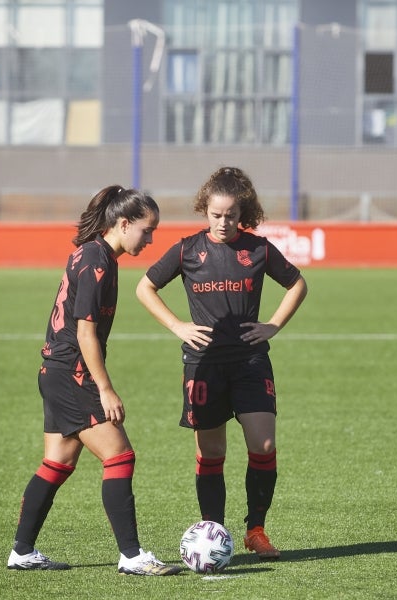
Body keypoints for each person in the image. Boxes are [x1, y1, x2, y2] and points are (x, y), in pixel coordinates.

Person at [8, 185, 182, 576]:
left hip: (56, 371)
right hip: (72, 373)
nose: (151, 239)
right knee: (120, 456)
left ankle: (22, 551)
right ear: (123, 223)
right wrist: (105, 389)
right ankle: (133, 556)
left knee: (58, 462)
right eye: (147, 230)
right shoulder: (96, 259)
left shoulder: (99, 255)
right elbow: (85, 331)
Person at [136, 166, 308, 561]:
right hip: (204, 364)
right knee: (212, 454)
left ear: (241, 211)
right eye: (216, 214)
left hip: (250, 360)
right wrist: (177, 325)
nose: (223, 222)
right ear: (204, 210)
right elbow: (145, 287)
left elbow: (298, 283)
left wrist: (273, 325)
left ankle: (256, 530)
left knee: (263, 445)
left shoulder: (259, 249)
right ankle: (212, 530)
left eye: (231, 214)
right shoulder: (187, 249)